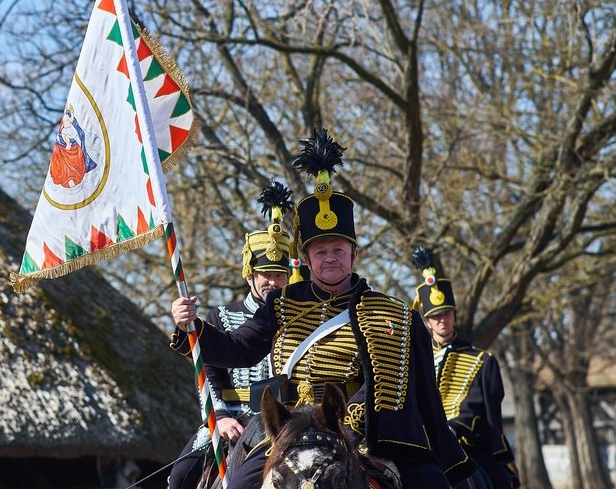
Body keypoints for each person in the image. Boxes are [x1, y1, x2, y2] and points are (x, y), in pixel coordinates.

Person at [170, 128, 473, 489]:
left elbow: (403, 389)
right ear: (308, 260)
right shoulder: (280, 304)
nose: (330, 258)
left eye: (338, 250)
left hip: (361, 429)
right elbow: (239, 347)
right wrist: (194, 327)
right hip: (287, 428)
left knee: (432, 485)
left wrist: (345, 421)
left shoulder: (392, 314)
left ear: (353, 255)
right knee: (238, 486)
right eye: (320, 251)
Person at [167, 180, 299, 489]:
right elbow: (208, 373)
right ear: (250, 274)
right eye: (267, 275)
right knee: (179, 477)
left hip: (284, 419)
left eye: (280, 275)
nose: (274, 282)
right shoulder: (221, 316)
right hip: (231, 419)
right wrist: (221, 417)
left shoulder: (299, 315)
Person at [412, 246, 521, 489]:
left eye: (447, 314)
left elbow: (483, 410)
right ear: (428, 322)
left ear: (454, 316)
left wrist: (453, 427)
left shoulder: (481, 361)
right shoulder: (417, 360)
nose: (443, 320)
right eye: (436, 316)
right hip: (425, 441)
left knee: (495, 481)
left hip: (465, 444)